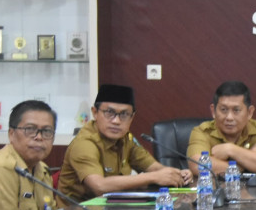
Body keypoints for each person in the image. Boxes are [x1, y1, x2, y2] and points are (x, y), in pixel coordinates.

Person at [57, 84, 188, 202]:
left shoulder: (126, 139)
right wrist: (154, 177)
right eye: (109, 113)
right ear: (95, 113)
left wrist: (176, 173)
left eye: (124, 114)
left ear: (132, 117)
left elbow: (153, 167)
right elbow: (99, 186)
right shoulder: (85, 143)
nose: (116, 121)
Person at [0, 100, 59, 210]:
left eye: (47, 131)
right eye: (30, 129)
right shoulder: (0, 170)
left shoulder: (42, 169)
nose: (39, 137)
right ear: (11, 134)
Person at [186, 80, 256, 178]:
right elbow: (197, 166)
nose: (229, 117)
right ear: (213, 111)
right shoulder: (202, 132)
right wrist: (247, 161)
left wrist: (231, 149)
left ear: (249, 112)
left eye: (236, 110)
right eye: (223, 110)